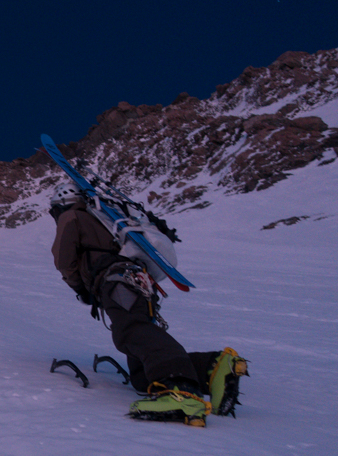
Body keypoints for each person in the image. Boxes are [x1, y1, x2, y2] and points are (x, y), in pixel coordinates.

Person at [49, 182, 247, 427]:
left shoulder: (72, 216)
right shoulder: (107, 218)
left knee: (132, 330)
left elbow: (64, 260)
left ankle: (180, 391)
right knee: (142, 373)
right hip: (140, 279)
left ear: (61, 204)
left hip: (115, 279)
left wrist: (80, 288)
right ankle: (211, 368)